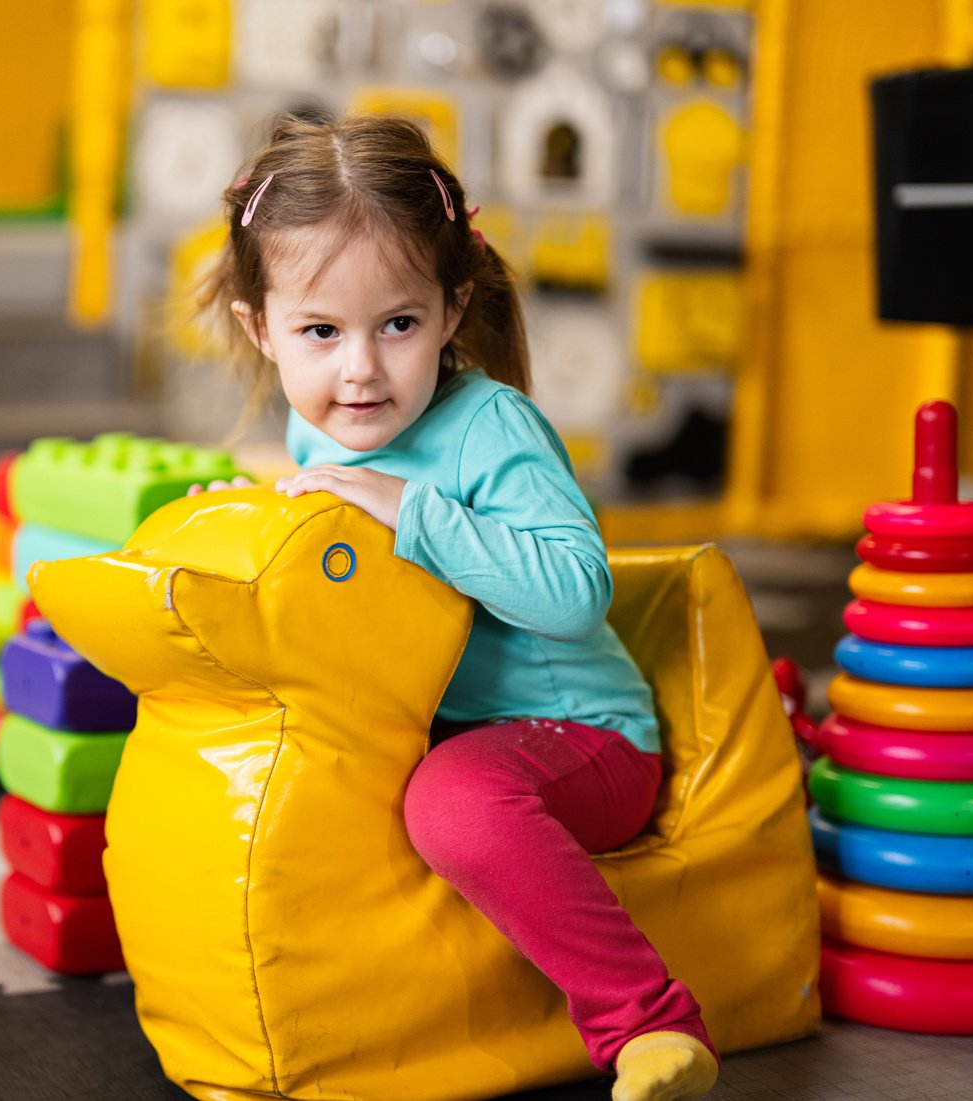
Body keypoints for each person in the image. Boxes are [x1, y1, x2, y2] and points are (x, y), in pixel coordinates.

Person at [194, 114, 720, 1101]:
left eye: (396, 324)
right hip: (437, 731)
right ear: (258, 329)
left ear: (449, 309)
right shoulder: (320, 442)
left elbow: (574, 596)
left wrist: (414, 512)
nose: (360, 368)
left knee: (453, 803)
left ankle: (646, 1023)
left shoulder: (490, 428)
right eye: (320, 332)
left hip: (577, 739)